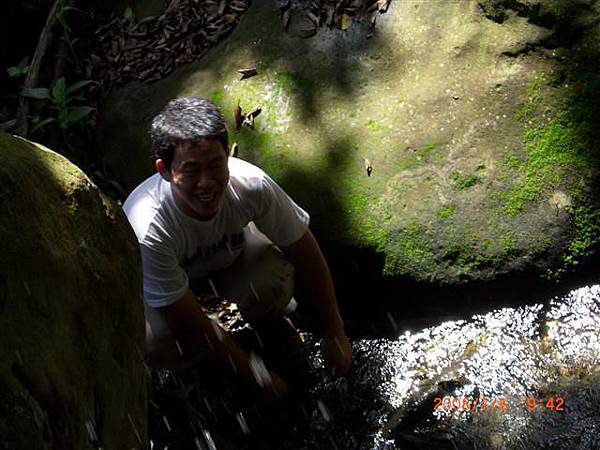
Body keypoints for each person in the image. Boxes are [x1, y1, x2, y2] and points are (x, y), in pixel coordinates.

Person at [123, 97, 352, 405]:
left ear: (227, 157)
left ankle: (267, 328)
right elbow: (185, 318)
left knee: (273, 282)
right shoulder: (149, 227)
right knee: (161, 341)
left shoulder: (250, 185)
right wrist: (255, 375)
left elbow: (304, 249)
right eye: (190, 171)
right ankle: (204, 375)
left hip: (230, 260)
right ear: (164, 170)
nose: (207, 184)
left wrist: (334, 331)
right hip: (168, 299)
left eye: (216, 165)